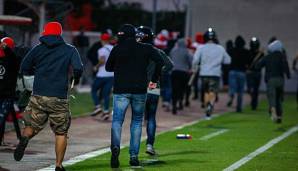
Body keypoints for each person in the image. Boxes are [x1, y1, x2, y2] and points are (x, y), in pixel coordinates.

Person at [14, 22, 83, 171]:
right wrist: (75, 79)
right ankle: (58, 166)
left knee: (31, 125)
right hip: (59, 97)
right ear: (60, 34)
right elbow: (78, 68)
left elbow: (24, 66)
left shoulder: (37, 49)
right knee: (61, 132)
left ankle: (24, 139)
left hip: (38, 94)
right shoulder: (70, 50)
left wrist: (38, 70)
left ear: (45, 32)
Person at [106, 24, 164, 169]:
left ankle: (115, 147)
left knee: (117, 121)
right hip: (139, 90)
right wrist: (154, 80)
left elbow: (108, 67)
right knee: (137, 122)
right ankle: (133, 156)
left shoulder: (117, 48)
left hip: (121, 90)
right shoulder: (146, 48)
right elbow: (160, 61)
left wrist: (120, 65)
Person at [136, 26, 173, 156]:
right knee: (151, 117)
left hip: (139, 87)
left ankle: (134, 150)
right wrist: (159, 74)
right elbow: (169, 65)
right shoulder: (157, 51)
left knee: (137, 119)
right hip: (153, 86)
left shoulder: (136, 51)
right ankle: (150, 145)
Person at [192, 28, 231, 119]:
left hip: (204, 73)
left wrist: (195, 67)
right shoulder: (220, 48)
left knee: (206, 91)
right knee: (212, 91)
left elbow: (195, 60)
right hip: (215, 73)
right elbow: (228, 60)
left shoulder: (201, 48)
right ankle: (211, 105)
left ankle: (207, 110)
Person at [256, 40, 290, 123]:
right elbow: (286, 67)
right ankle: (279, 116)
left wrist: (259, 54)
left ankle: (273, 112)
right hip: (280, 80)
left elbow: (257, 66)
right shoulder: (282, 56)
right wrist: (288, 76)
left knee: (272, 97)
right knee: (279, 98)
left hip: (271, 79)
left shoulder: (268, 56)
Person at [0, 37, 21, 145]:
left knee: (1, 117)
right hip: (3, 94)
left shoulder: (13, 60)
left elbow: (14, 59)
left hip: (7, 94)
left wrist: (6, 48)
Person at [90, 33, 114, 119]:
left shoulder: (101, 49)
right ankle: (106, 112)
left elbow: (102, 60)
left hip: (102, 74)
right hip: (112, 75)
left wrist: (95, 67)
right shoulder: (114, 48)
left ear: (102, 40)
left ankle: (97, 106)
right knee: (106, 94)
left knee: (93, 90)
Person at [227, 36, 250, 112]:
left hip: (232, 71)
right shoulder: (246, 52)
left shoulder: (231, 50)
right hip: (242, 72)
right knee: (240, 91)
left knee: (232, 87)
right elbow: (248, 63)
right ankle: (239, 107)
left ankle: (231, 95)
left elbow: (227, 61)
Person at [170, 38, 193, 114]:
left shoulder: (173, 51)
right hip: (184, 72)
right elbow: (191, 61)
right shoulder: (187, 51)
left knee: (174, 89)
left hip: (174, 72)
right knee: (182, 88)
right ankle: (180, 101)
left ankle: (174, 105)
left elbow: (170, 59)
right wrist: (189, 68)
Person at [246, 37, 264, 110]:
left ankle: (254, 103)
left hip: (254, 73)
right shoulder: (260, 53)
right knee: (252, 89)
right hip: (253, 73)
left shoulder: (260, 54)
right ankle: (254, 101)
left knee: (254, 89)